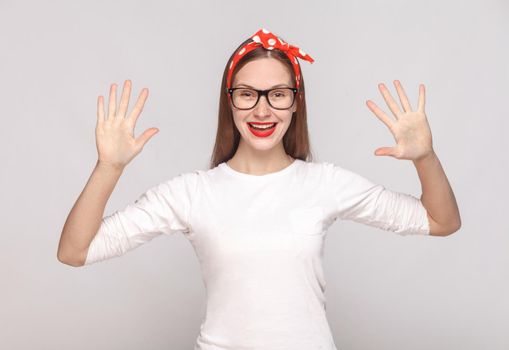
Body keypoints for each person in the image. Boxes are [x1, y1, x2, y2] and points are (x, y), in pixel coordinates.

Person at [57, 28, 461, 350]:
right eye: (248, 94)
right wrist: (108, 167)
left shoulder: (325, 183)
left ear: (296, 103)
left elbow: (441, 220)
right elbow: (75, 251)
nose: (263, 110)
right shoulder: (193, 193)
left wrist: (425, 157)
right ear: (230, 102)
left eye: (278, 95)